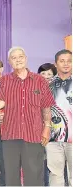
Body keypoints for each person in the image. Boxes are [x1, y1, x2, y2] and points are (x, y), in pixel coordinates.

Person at [0, 47, 55, 186]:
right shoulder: (4, 81)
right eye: (14, 58)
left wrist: (47, 127)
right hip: (10, 134)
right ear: (10, 62)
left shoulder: (40, 80)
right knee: (11, 176)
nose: (18, 60)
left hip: (34, 134)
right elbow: (1, 102)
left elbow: (46, 106)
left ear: (26, 59)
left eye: (20, 56)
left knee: (34, 174)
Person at [47, 49, 72, 186]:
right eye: (62, 61)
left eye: (69, 61)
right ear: (55, 64)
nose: (66, 64)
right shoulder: (47, 85)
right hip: (53, 137)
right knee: (55, 174)